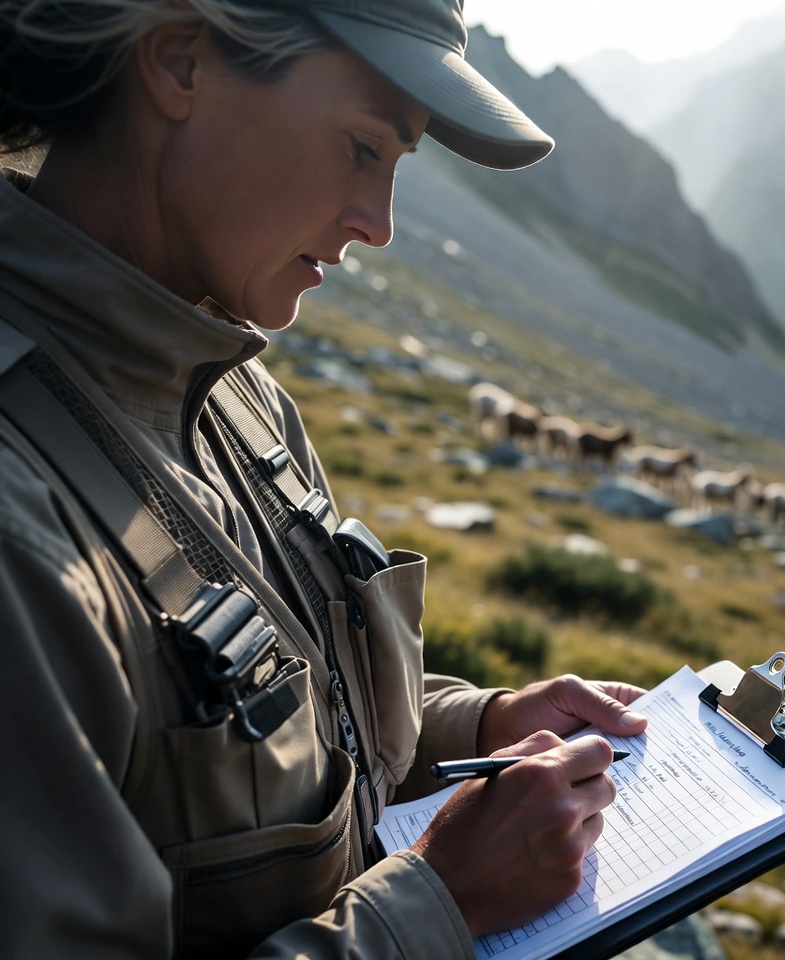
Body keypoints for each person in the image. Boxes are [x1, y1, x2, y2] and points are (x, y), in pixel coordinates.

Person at [0, 1, 650, 956]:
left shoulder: (238, 395)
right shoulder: (22, 533)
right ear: (181, 63)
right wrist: (441, 908)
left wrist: (480, 730)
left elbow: (290, 735)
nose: (379, 225)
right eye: (362, 149)